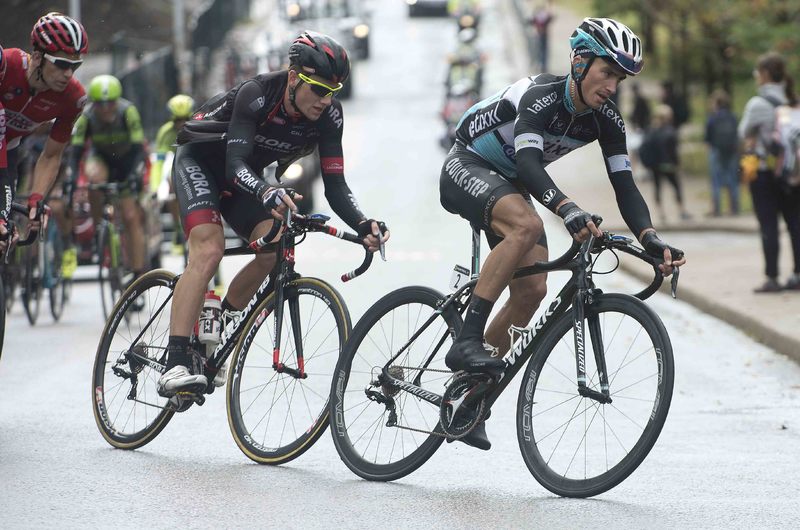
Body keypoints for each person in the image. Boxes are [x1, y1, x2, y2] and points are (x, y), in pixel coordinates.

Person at [439, 17, 685, 450]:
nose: (612, 86)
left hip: (510, 182)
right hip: (468, 164)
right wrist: (567, 208)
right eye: (606, 72)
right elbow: (531, 166)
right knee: (527, 224)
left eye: (619, 78)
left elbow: (624, 186)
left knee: (533, 290)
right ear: (578, 61)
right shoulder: (541, 97)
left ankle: (469, 394)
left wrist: (650, 238)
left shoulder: (606, 120)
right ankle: (467, 341)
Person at [157, 31, 390, 397]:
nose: (325, 100)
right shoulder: (258, 94)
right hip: (202, 164)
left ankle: (219, 325)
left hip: (244, 179)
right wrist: (266, 190)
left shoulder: (329, 116)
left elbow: (335, 184)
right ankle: (174, 362)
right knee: (209, 251)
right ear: (295, 77)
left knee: (274, 245)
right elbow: (234, 164)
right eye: (318, 88)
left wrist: (363, 223)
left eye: (334, 92)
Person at [0, 13, 88, 251]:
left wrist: (37, 198)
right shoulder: (7, 65)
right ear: (37, 57)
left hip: (8, 153)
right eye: (61, 64)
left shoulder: (73, 98)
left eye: (75, 65)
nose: (69, 74)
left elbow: (51, 155)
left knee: (2, 231)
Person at [67, 74, 148, 281]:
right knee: (93, 178)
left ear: (117, 100)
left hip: (127, 161)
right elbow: (75, 152)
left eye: (110, 103)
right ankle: (98, 230)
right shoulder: (86, 117)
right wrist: (72, 178)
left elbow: (139, 149)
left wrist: (134, 175)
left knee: (130, 217)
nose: (105, 109)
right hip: (101, 158)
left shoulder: (127, 111)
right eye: (100, 104)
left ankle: (138, 272)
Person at [739, 51, 800, 292]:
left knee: (769, 226)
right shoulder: (794, 102)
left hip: (764, 172)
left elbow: (743, 133)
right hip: (792, 174)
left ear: (764, 75)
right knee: (795, 223)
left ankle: (772, 278)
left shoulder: (758, 104)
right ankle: (797, 274)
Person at [150, 94, 195, 254]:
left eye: (185, 119)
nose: (182, 124)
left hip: (196, 165)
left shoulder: (199, 126)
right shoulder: (165, 133)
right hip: (177, 167)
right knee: (171, 181)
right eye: (178, 120)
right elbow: (159, 163)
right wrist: (155, 187)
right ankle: (178, 228)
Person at [649, 104, 692, 222]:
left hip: (655, 165)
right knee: (676, 187)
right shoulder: (671, 131)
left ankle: (661, 213)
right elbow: (674, 151)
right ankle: (682, 211)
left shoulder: (652, 131)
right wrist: (678, 164)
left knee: (657, 188)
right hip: (669, 165)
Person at [704, 89, 740, 216]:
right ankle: (734, 208)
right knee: (733, 180)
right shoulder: (732, 117)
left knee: (716, 181)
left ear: (716, 103)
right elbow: (737, 134)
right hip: (731, 151)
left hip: (716, 151)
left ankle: (716, 210)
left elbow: (707, 138)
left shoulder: (712, 118)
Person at [530, 1, 555, 72]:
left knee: (539, 51)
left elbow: (531, 21)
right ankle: (542, 66)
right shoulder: (545, 16)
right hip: (543, 35)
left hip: (539, 36)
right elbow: (551, 17)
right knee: (543, 52)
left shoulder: (537, 15)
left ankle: (539, 66)